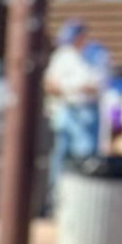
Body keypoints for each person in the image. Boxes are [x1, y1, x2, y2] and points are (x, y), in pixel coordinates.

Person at [43, 20, 107, 186]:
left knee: (84, 156)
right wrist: (74, 88)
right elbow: (49, 84)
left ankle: (80, 194)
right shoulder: (63, 54)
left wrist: (65, 88)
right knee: (60, 154)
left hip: (86, 110)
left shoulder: (98, 53)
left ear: (82, 37)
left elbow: (94, 86)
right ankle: (55, 196)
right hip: (65, 109)